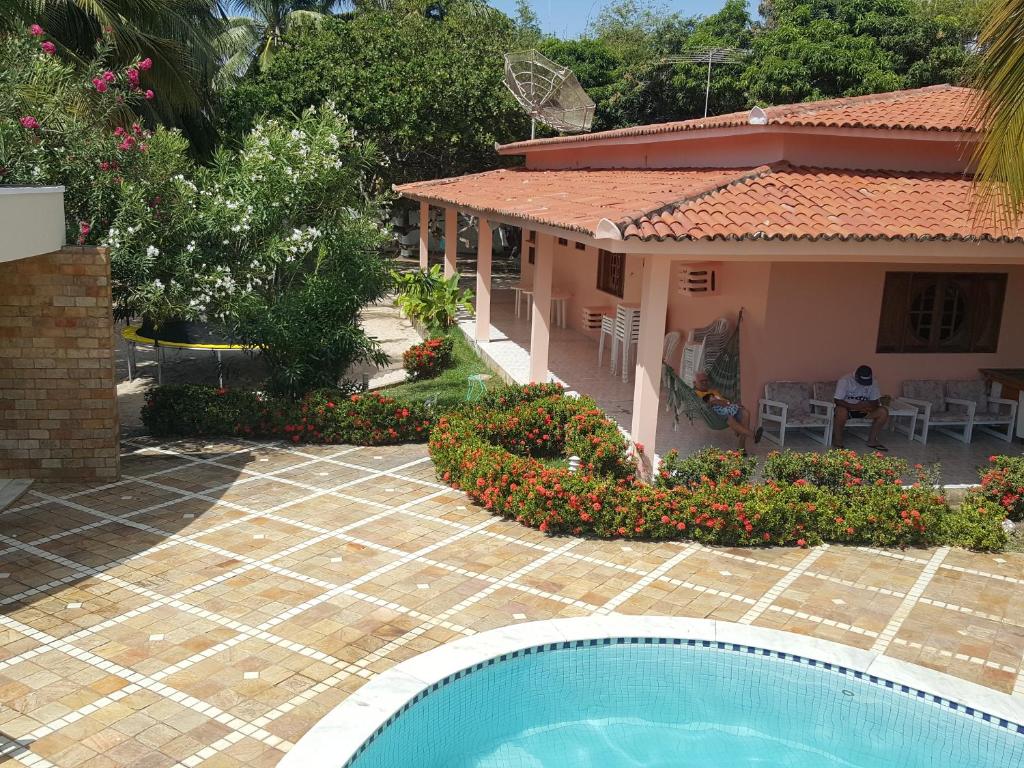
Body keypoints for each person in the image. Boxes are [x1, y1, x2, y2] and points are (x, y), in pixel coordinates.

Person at [694, 372, 763, 452]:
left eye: (706, 380)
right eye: (701, 381)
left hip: (728, 408)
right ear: (695, 383)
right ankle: (752, 435)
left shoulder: (713, 391)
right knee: (729, 418)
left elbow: (724, 400)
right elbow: (705, 404)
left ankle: (741, 446)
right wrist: (715, 402)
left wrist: (734, 405)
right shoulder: (696, 394)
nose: (704, 382)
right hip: (716, 414)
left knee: (746, 413)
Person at [833, 365, 890, 451]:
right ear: (856, 376)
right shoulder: (845, 380)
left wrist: (870, 407)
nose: (864, 384)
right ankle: (838, 441)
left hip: (864, 410)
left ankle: (872, 441)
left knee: (883, 412)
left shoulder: (874, 381)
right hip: (847, 409)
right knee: (841, 412)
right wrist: (855, 406)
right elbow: (837, 400)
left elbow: (875, 401)